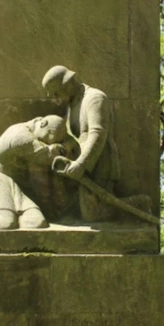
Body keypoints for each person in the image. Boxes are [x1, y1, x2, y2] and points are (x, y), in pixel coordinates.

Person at [41, 65, 120, 221]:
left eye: (57, 94)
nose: (57, 100)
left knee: (92, 216)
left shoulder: (95, 98)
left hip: (99, 163)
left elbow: (98, 133)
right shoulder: (73, 104)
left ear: (67, 84)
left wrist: (82, 164)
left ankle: (137, 204)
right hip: (82, 163)